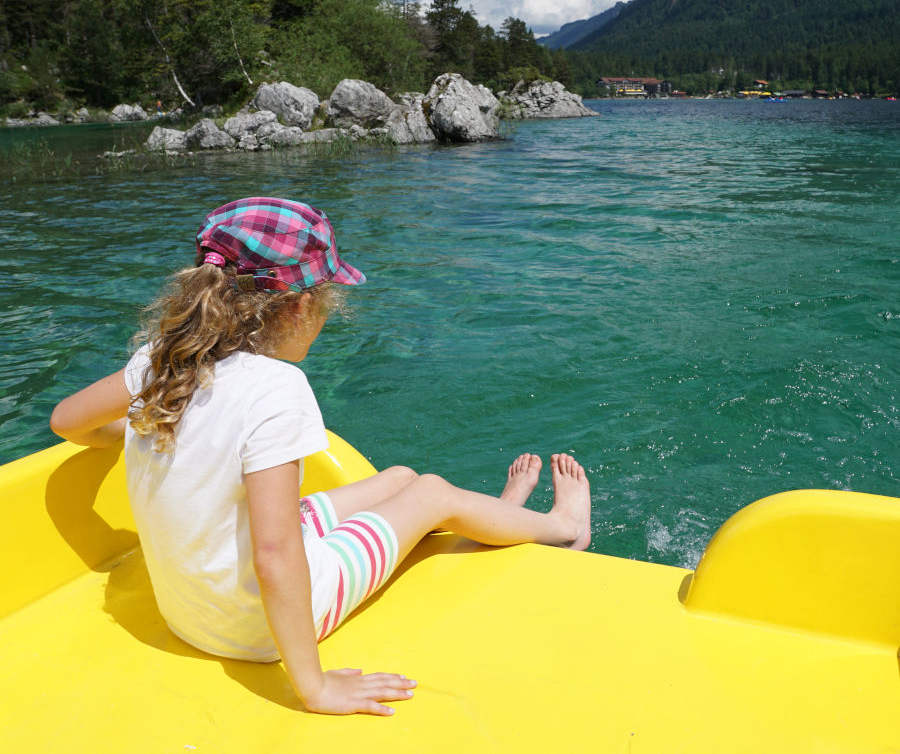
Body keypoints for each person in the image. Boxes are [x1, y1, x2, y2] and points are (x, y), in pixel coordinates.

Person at [50, 197, 592, 717]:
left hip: (190, 611)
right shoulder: (276, 388)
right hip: (259, 627)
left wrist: (143, 433)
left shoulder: (158, 361)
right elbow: (274, 552)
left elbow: (66, 422)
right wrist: (313, 687)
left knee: (399, 478)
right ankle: (560, 527)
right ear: (302, 304)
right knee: (430, 491)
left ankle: (499, 517)